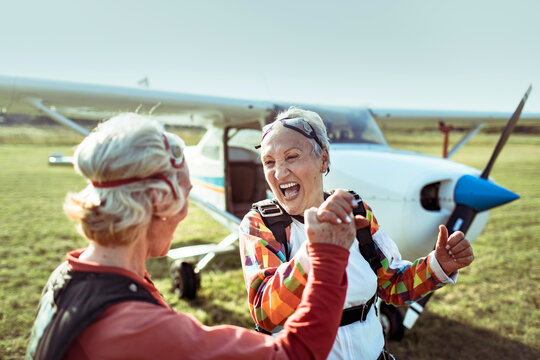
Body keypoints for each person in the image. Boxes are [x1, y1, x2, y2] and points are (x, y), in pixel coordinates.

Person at [26, 113, 360, 360]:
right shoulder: (139, 329)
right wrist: (327, 256)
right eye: (185, 195)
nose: (185, 213)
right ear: (160, 202)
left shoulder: (69, 277)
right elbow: (295, 354)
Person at [239, 107, 475, 360]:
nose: (279, 172)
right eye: (269, 162)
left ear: (324, 159)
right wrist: (315, 252)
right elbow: (265, 313)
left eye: (292, 156)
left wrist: (438, 266)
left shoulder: (355, 210)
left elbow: (391, 284)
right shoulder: (261, 224)